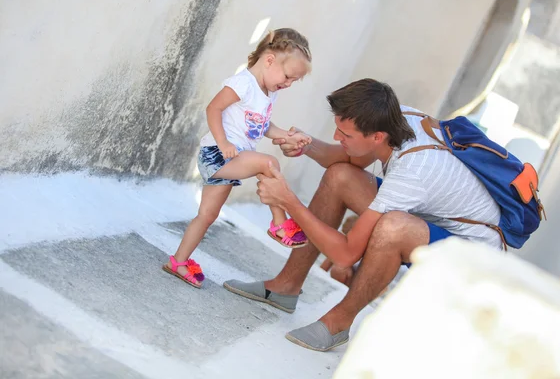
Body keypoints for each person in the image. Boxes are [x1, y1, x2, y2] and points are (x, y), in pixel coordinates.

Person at [223, 78, 503, 351]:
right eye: (338, 129)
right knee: (339, 177)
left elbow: (346, 254)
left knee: (393, 227)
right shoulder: (393, 117)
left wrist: (288, 200)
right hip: (432, 215)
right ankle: (286, 286)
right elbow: (348, 159)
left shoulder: (411, 174)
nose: (336, 137)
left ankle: (338, 323)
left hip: (470, 254)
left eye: (345, 135)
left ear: (377, 136)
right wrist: (307, 145)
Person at [162, 28, 313, 289]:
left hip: (232, 157)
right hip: (218, 154)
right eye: (288, 77)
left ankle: (178, 261)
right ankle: (279, 223)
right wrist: (224, 142)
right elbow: (214, 108)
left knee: (207, 215)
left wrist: (286, 136)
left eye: (293, 81)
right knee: (269, 164)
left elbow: (261, 126)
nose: (287, 84)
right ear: (269, 60)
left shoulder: (268, 92)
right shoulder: (242, 83)